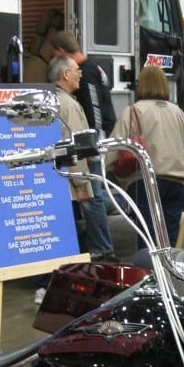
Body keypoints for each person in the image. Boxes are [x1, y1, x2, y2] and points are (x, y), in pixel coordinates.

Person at [110, 64, 184, 248]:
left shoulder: (133, 111)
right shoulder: (177, 112)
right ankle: (168, 274)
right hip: (177, 183)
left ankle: (150, 274)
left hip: (144, 183)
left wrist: (116, 177)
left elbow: (113, 149)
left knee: (148, 240)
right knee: (170, 238)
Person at [49, 54, 117, 262]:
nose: (80, 74)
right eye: (76, 71)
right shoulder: (68, 105)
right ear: (65, 74)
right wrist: (81, 184)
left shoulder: (49, 100)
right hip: (70, 179)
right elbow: (75, 147)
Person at [52, 29, 118, 214]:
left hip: (92, 140)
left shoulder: (87, 72)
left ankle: (103, 240)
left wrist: (91, 144)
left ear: (61, 50)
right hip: (95, 137)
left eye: (55, 54)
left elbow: (94, 108)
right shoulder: (93, 67)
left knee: (93, 196)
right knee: (94, 192)